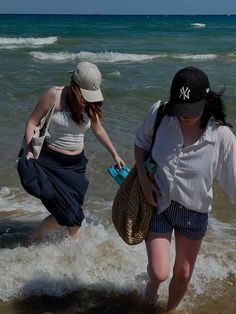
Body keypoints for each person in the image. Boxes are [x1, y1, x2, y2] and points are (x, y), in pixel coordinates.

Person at [134, 67, 236, 311]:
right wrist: (145, 181)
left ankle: (169, 310)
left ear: (205, 101)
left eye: (190, 111)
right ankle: (153, 285)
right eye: (179, 110)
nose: (183, 117)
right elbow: (140, 144)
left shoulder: (221, 137)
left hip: (194, 214)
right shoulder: (160, 114)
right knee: (159, 272)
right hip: (159, 204)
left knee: (182, 273)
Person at [18, 61, 125, 242]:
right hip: (51, 163)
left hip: (76, 166)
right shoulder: (55, 95)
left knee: (71, 212)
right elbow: (31, 123)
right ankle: (76, 258)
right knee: (72, 215)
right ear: (75, 84)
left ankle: (36, 236)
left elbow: (98, 129)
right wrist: (29, 150)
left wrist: (114, 153)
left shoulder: (90, 103)